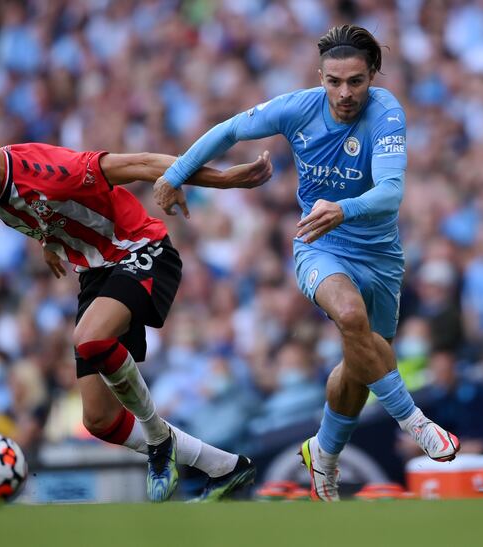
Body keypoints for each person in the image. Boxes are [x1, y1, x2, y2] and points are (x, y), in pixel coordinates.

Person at [154, 25, 460, 501]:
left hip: (380, 256)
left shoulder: (386, 112)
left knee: (361, 366)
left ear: (372, 76)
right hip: (320, 245)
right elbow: (232, 129)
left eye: (355, 81)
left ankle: (324, 455)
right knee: (352, 319)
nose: (344, 93)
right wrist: (176, 174)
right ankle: (414, 422)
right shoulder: (299, 107)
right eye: (334, 81)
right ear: (321, 77)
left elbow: (391, 193)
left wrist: (343, 208)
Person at [0, 116, 272, 501]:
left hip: (141, 250)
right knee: (99, 420)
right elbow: (39, 211)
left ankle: (160, 441)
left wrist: (224, 179)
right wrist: (51, 241)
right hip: (97, 271)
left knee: (89, 339)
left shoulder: (52, 172)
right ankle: (225, 468)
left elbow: (142, 164)